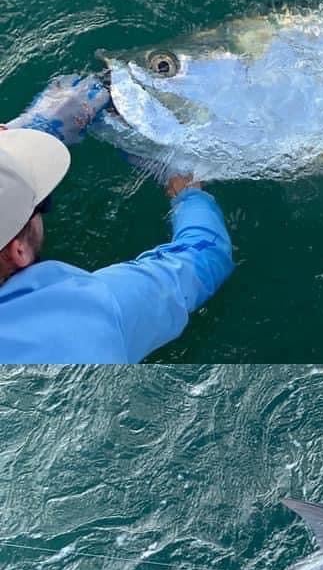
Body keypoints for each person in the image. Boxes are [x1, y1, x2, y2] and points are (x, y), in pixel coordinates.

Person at [0, 74, 234, 363]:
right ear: (17, 250)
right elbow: (206, 255)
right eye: (41, 201)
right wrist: (186, 190)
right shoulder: (85, 314)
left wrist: (29, 130)